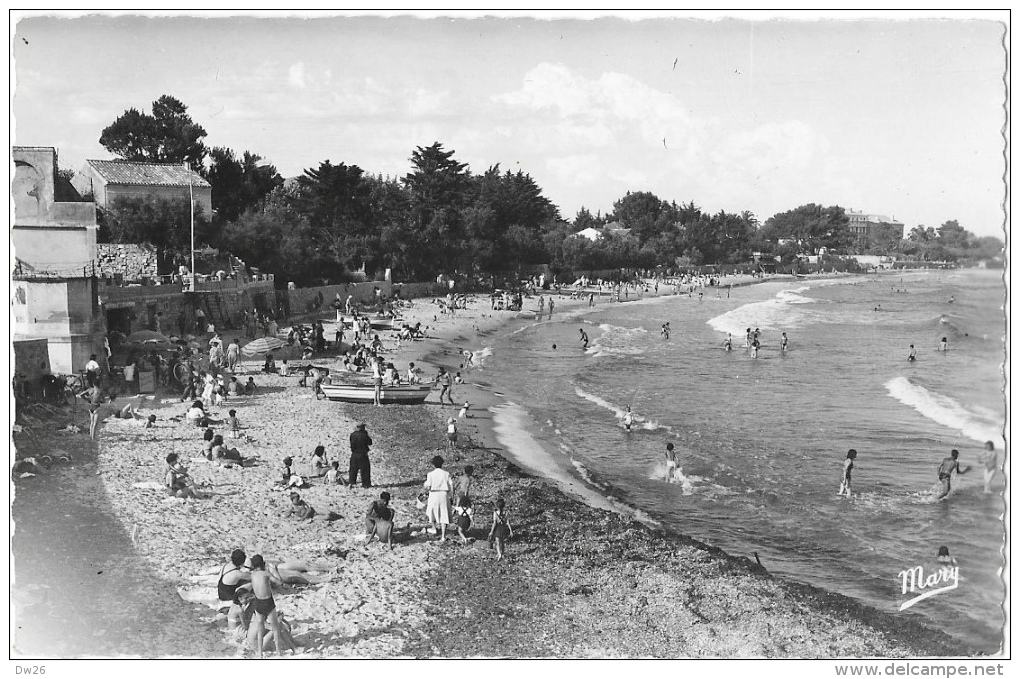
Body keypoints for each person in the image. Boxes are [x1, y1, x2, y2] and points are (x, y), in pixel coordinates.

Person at [248, 555, 284, 658]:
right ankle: (278, 651)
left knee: (260, 629)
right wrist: (275, 570)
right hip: (268, 601)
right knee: (275, 627)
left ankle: (259, 653)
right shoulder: (266, 573)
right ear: (263, 564)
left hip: (258, 602)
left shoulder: (252, 575)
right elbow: (280, 582)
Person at [424, 455, 453, 541]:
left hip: (434, 494)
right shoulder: (446, 473)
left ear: (433, 464)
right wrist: (452, 496)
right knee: (444, 513)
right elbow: (451, 485)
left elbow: (428, 486)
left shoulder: (430, 474)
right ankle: (443, 536)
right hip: (444, 494)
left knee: (432, 511)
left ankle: (434, 528)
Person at [217, 549, 252, 620]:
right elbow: (252, 577)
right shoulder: (236, 573)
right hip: (228, 600)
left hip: (222, 596)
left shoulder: (226, 566)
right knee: (251, 584)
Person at [349, 423, 373, 488]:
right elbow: (370, 442)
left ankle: (351, 482)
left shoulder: (352, 435)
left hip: (354, 454)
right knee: (365, 470)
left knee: (353, 469)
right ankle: (365, 484)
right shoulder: (364, 435)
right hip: (363, 454)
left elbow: (352, 444)